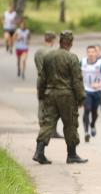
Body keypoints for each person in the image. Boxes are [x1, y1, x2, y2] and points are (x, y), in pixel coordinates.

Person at [33, 30, 88, 164]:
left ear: (60, 41)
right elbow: (77, 80)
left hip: (50, 94)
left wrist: (41, 94)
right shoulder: (72, 58)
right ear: (71, 42)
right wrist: (81, 97)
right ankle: (72, 154)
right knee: (70, 124)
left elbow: (42, 78)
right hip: (66, 96)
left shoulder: (49, 56)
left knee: (48, 122)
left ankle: (39, 152)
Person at [34, 31, 63, 139]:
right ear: (53, 40)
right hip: (51, 82)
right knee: (54, 106)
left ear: (45, 39)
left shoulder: (38, 52)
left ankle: (42, 128)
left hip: (40, 80)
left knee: (41, 105)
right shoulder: (53, 52)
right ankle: (52, 130)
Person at [81, 45, 101, 142]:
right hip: (86, 90)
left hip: (97, 91)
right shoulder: (82, 62)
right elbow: (76, 73)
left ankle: (92, 124)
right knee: (87, 109)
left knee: (94, 112)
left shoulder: (100, 64)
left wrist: (99, 84)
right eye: (89, 52)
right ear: (87, 53)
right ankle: (86, 132)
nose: (91, 54)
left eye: (92, 52)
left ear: (96, 53)